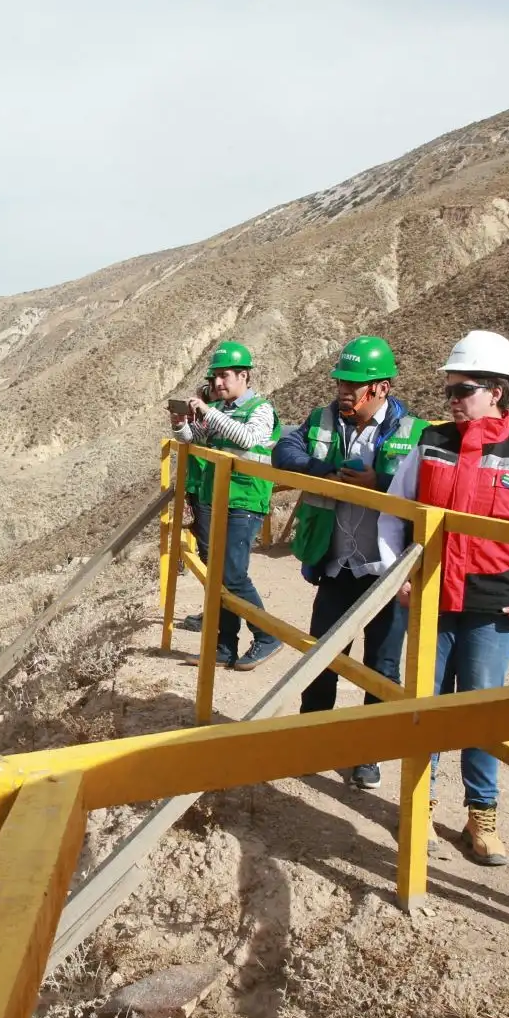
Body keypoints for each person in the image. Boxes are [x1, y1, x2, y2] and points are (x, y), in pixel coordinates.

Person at [379, 330, 509, 865]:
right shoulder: (430, 443)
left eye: (463, 389)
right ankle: (419, 805)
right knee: (428, 708)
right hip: (434, 600)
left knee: (480, 713)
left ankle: (481, 817)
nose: (453, 400)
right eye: (449, 390)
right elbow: (394, 511)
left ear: (497, 392)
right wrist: (399, 575)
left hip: (497, 608)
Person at [274, 335, 428, 789]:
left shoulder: (414, 432)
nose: (343, 389)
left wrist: (378, 482)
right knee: (324, 653)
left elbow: (425, 490)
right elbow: (285, 451)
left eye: (354, 384)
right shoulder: (322, 419)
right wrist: (326, 474)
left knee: (382, 665)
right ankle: (312, 737)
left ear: (381, 387)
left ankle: (368, 754)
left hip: (387, 570)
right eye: (341, 380)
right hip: (336, 563)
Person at [169, 341, 284, 670]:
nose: (217, 383)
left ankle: (267, 635)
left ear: (244, 376)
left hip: (244, 500)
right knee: (219, 576)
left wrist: (208, 411)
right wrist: (181, 423)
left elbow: (247, 439)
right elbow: (194, 438)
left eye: (224, 376)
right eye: (214, 378)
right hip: (217, 498)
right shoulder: (225, 410)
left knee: (233, 576)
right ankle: (224, 646)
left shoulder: (260, 409)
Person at [176, 370, 216, 634]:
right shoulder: (199, 432)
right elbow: (184, 438)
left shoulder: (212, 430)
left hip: (208, 493)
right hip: (200, 491)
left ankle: (215, 613)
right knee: (207, 552)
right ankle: (213, 610)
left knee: (211, 553)